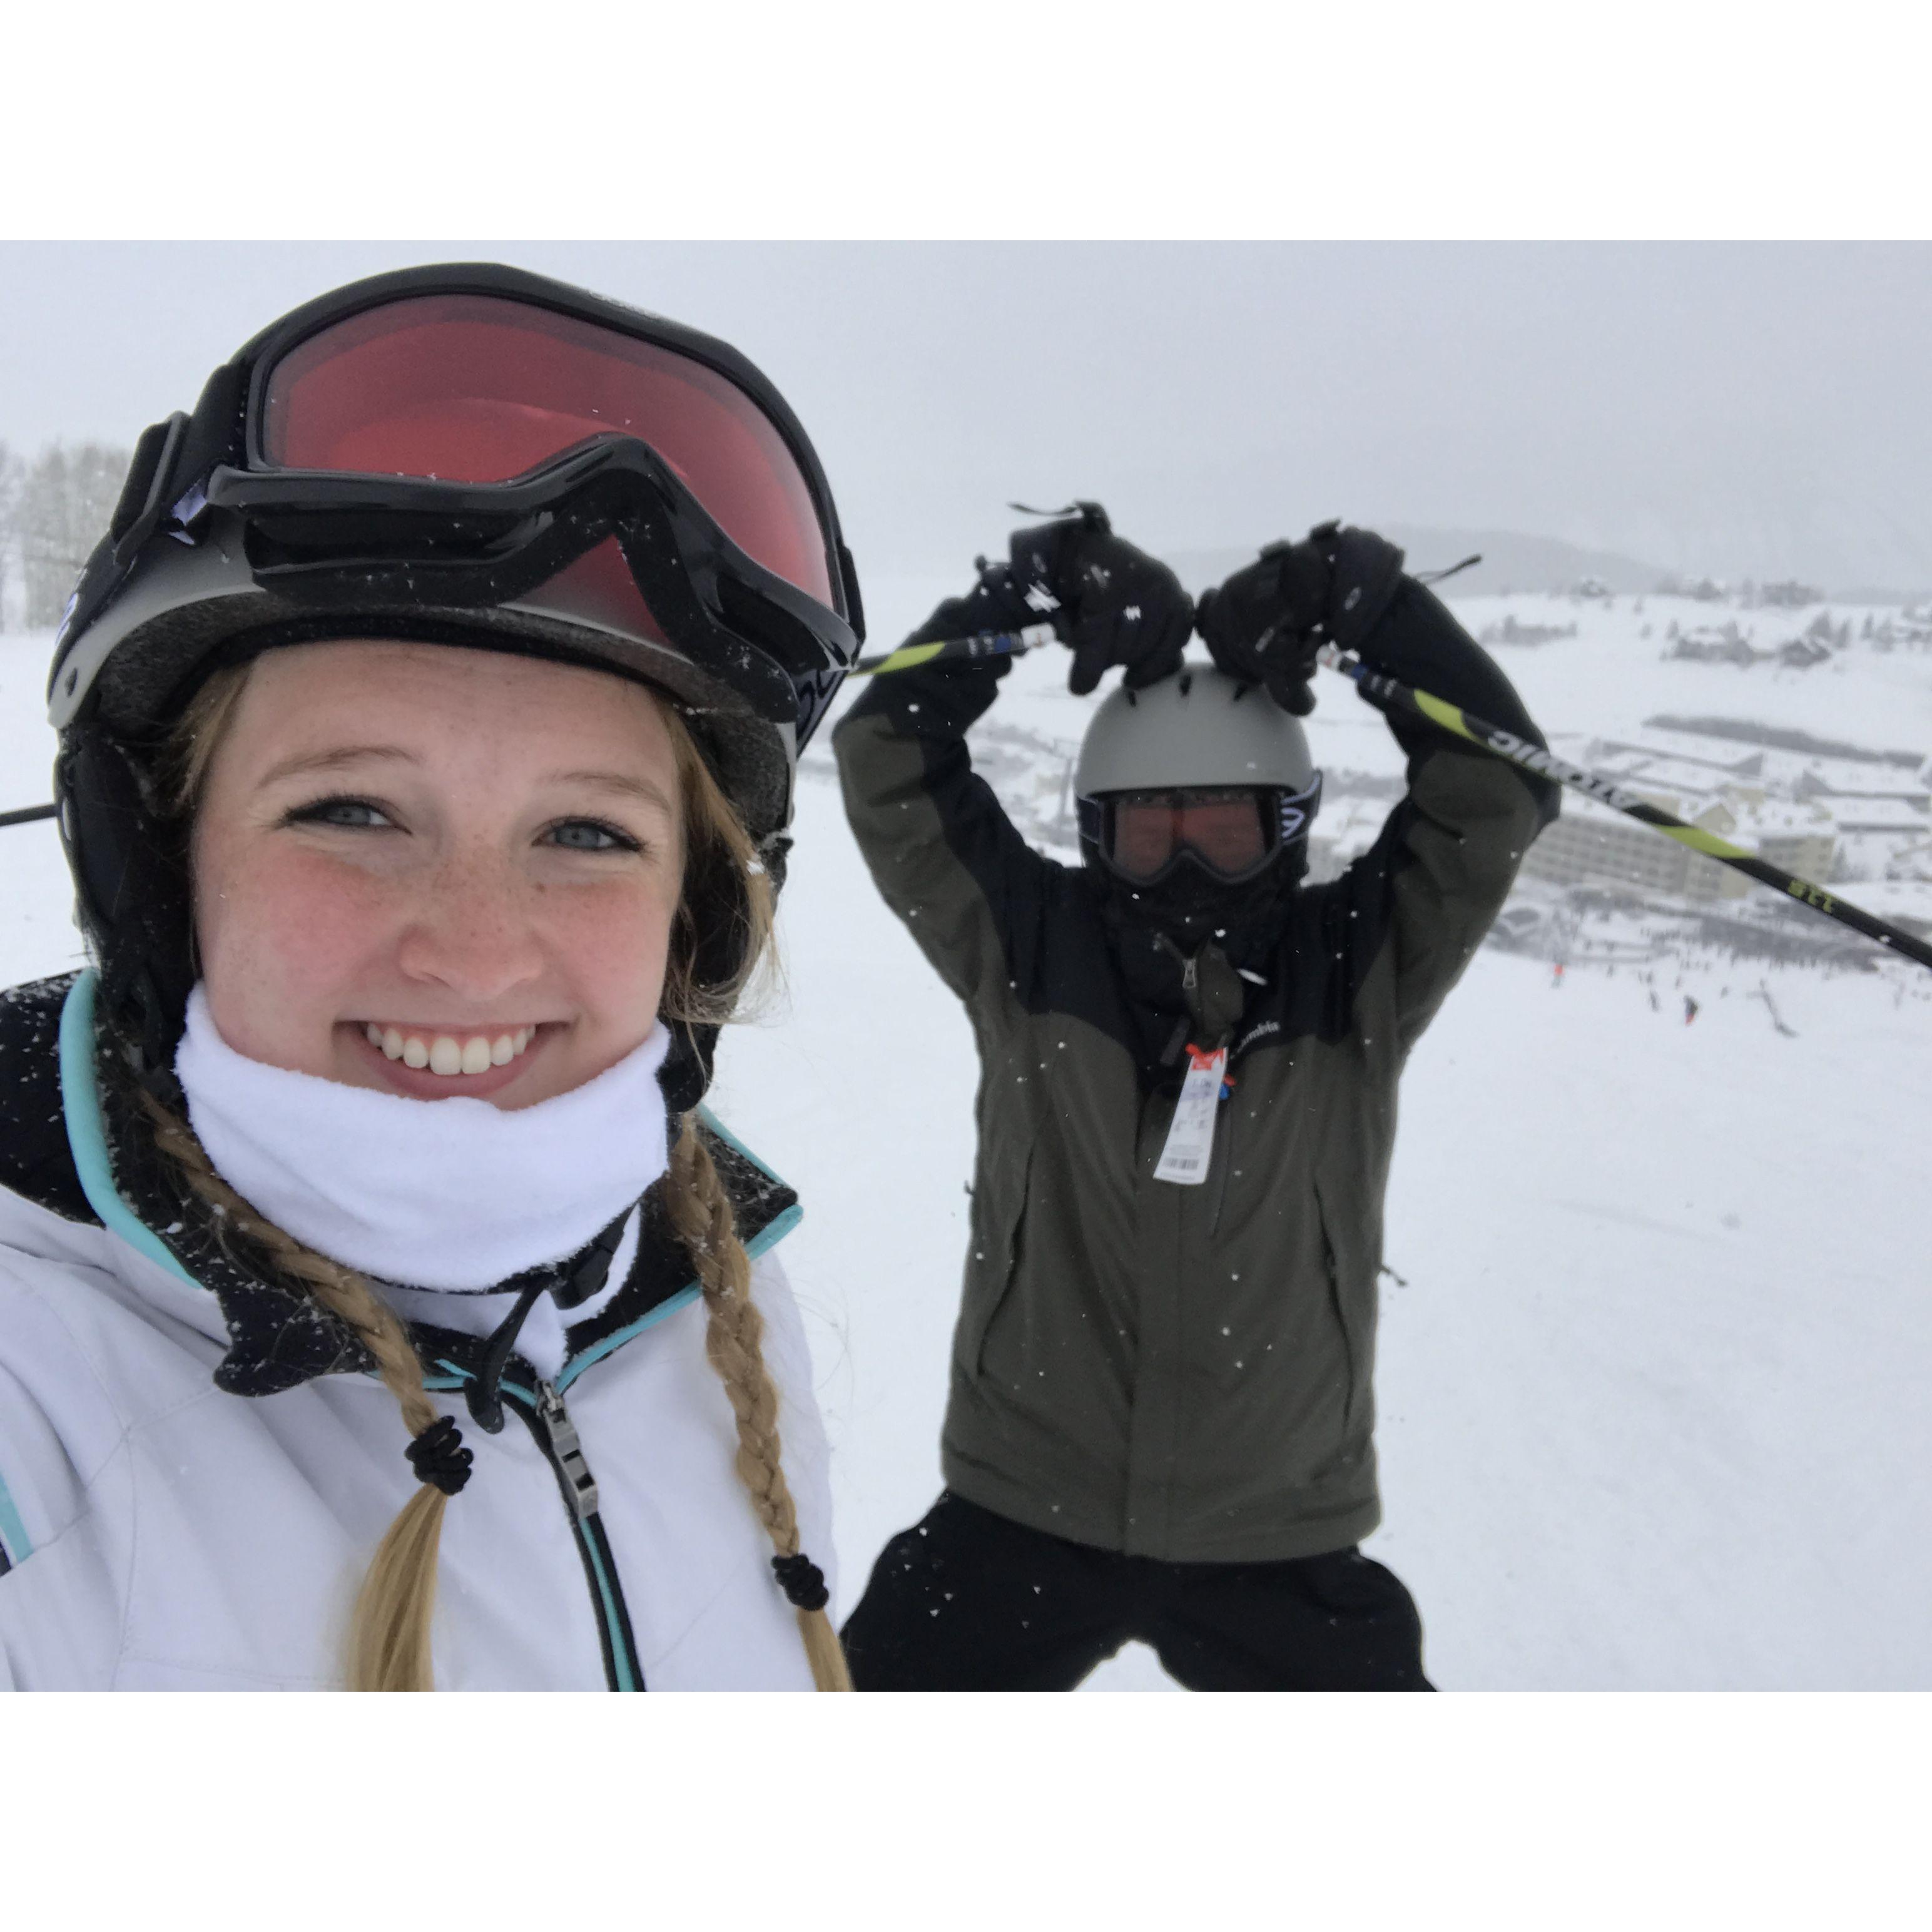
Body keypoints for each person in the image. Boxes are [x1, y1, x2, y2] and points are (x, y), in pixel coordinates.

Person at [0, 263, 865, 1690]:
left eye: (586, 832)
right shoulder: (38, 1388)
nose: (472, 947)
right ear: (159, 870)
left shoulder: (716, 1303)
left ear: (690, 920)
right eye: (350, 811)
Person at [832, 509, 1558, 1690]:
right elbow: (888, 759)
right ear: (1092, 834)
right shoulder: (1027, 946)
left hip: (1274, 1530)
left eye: (1222, 830)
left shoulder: (1357, 968)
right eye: (1146, 831)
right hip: (1027, 1499)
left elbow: (1495, 789)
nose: (1182, 866)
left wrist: (1370, 611)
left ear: (1287, 830)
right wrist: (1026, 594)